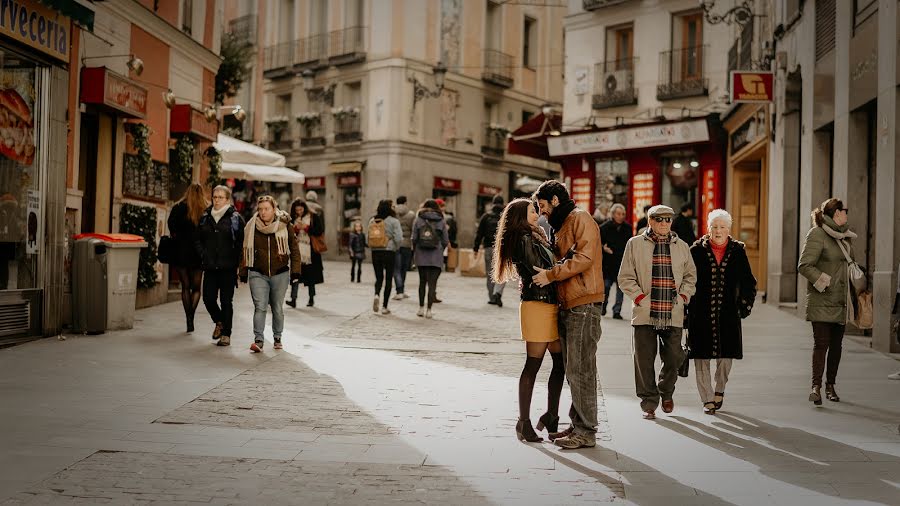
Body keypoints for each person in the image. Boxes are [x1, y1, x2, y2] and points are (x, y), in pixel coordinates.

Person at [531, 180, 604, 450]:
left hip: (584, 304)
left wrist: (550, 275)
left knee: (581, 369)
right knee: (574, 369)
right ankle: (577, 425)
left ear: (555, 200)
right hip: (569, 304)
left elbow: (584, 258)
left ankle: (586, 431)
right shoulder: (561, 225)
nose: (542, 213)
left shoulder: (580, 218)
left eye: (543, 206)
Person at [493, 198, 565, 443]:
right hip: (537, 305)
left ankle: (552, 416)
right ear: (521, 215)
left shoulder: (537, 235)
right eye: (532, 210)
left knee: (560, 362)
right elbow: (538, 268)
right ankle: (523, 422)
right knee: (533, 364)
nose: (537, 212)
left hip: (551, 303)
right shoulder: (524, 238)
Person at [618, 204, 697, 420]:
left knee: (674, 357)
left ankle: (666, 391)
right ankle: (649, 402)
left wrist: (683, 296)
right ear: (650, 221)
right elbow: (625, 277)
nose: (664, 224)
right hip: (645, 312)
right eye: (659, 220)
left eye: (668, 220)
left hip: (673, 311)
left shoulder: (681, 246)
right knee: (644, 360)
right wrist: (640, 298)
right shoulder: (634, 244)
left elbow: (690, 276)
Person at [688, 209, 757, 415]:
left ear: (729, 229)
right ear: (708, 228)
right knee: (701, 357)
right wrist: (685, 309)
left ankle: (720, 388)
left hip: (728, 314)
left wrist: (744, 305)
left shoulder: (737, 251)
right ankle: (707, 397)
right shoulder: (696, 251)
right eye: (714, 227)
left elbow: (749, 283)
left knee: (726, 357)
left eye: (722, 227)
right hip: (700, 313)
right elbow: (687, 280)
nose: (718, 231)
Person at [798, 198, 856, 404]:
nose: (847, 214)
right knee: (821, 344)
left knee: (837, 345)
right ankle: (816, 386)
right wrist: (825, 281)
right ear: (836, 213)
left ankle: (831, 385)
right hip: (822, 298)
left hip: (841, 300)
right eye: (845, 211)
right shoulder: (817, 234)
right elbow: (804, 265)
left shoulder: (844, 237)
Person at [240, 196, 302, 352]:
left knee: (277, 307)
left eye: (266, 209)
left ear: (274, 209)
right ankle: (259, 340)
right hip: (257, 272)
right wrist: (243, 271)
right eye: (260, 209)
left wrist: (296, 271)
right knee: (260, 307)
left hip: (280, 273)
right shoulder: (252, 226)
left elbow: (294, 249)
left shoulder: (285, 225)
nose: (263, 212)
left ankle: (277, 337)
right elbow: (244, 249)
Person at [195, 185, 245, 347]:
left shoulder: (235, 218)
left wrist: (236, 262)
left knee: (226, 301)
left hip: (227, 267)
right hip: (209, 266)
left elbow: (240, 243)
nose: (216, 200)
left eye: (220, 197)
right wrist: (203, 254)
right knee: (208, 299)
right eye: (214, 197)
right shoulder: (205, 217)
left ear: (227, 200)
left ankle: (226, 335)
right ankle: (219, 321)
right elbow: (197, 239)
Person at [168, 183, 208, 333]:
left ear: (187, 192)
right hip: (199, 253)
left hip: (181, 251)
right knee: (196, 288)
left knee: (185, 286)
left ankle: (189, 318)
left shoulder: (178, 207)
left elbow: (171, 226)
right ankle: (192, 315)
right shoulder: (206, 210)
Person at [411, 199, 449, 319]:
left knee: (422, 282)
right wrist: (440, 249)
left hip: (421, 255)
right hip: (436, 256)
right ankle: (429, 310)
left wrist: (416, 249)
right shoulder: (441, 220)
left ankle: (421, 308)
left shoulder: (419, 219)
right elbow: (445, 240)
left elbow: (414, 238)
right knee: (432, 284)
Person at [367, 199, 403, 315]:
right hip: (389, 251)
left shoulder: (373, 220)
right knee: (388, 278)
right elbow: (398, 238)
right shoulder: (394, 221)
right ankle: (384, 306)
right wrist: (396, 247)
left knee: (378, 278)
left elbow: (368, 236)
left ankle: (376, 294)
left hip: (375, 251)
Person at [287, 199, 322, 308]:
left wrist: (306, 228)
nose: (299, 212)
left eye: (301, 209)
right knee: (295, 275)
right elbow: (289, 234)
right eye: (297, 210)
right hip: (297, 251)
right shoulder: (292, 218)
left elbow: (319, 230)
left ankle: (311, 299)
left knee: (310, 276)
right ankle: (293, 299)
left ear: (304, 208)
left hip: (310, 252)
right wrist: (296, 229)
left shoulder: (313, 217)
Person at [599, 203, 632, 319]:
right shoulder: (604, 227)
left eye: (623, 214)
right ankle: (603, 306)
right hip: (608, 263)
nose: (621, 216)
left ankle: (617, 311)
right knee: (606, 287)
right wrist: (603, 248)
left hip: (622, 263)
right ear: (613, 214)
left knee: (621, 289)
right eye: (618, 214)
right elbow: (597, 243)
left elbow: (630, 245)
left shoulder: (627, 228)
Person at [474, 194, 506, 307]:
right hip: (503, 249)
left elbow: (479, 234)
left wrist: (476, 248)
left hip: (489, 248)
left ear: (493, 203)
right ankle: (498, 293)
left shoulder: (486, 216)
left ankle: (492, 297)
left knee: (490, 274)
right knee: (502, 272)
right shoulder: (506, 216)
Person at [302, 191, 326, 306]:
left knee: (300, 271)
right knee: (312, 271)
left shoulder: (301, 207)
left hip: (302, 243)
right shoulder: (319, 209)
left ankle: (294, 297)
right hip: (313, 244)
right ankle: (311, 297)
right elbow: (322, 228)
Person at [393, 196, 416, 300]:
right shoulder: (411, 215)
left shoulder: (393, 213)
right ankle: (402, 290)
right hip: (406, 244)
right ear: (406, 202)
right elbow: (413, 229)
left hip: (395, 244)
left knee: (396, 268)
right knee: (404, 268)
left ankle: (399, 291)